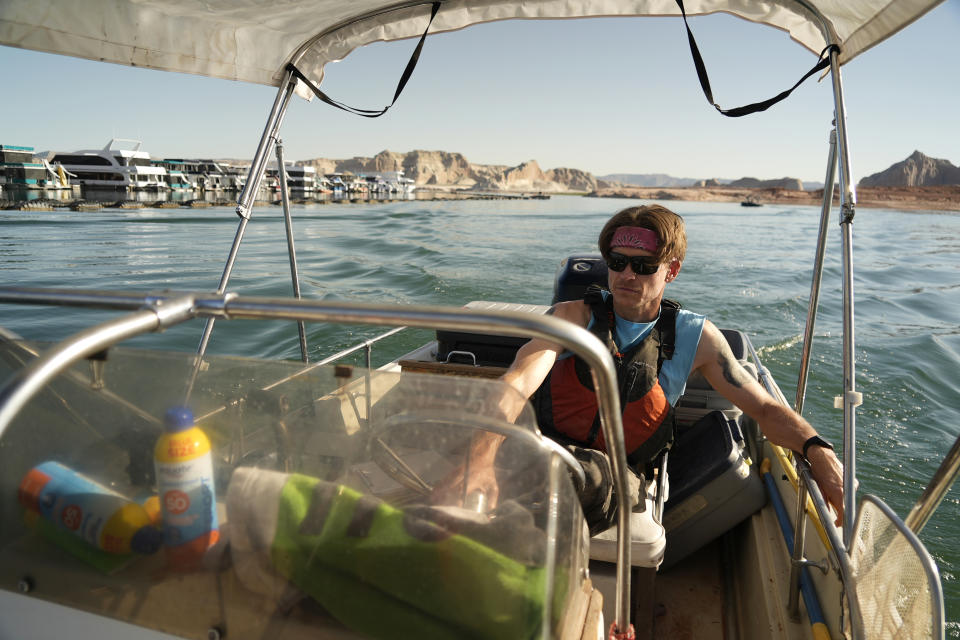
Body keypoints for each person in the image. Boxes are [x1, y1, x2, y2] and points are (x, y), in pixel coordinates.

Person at [444, 204, 845, 531]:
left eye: (644, 266)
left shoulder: (695, 337)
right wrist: (479, 457)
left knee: (565, 480)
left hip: (616, 474)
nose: (627, 275)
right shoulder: (570, 317)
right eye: (618, 262)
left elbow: (763, 409)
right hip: (542, 448)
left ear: (671, 270)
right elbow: (515, 384)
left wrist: (817, 449)